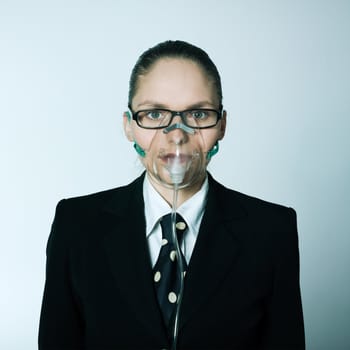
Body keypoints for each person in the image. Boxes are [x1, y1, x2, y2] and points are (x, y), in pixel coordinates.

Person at [38, 40, 305, 350]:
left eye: (198, 114)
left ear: (222, 125)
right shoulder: (77, 225)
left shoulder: (271, 230)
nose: (177, 134)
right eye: (154, 114)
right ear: (129, 126)